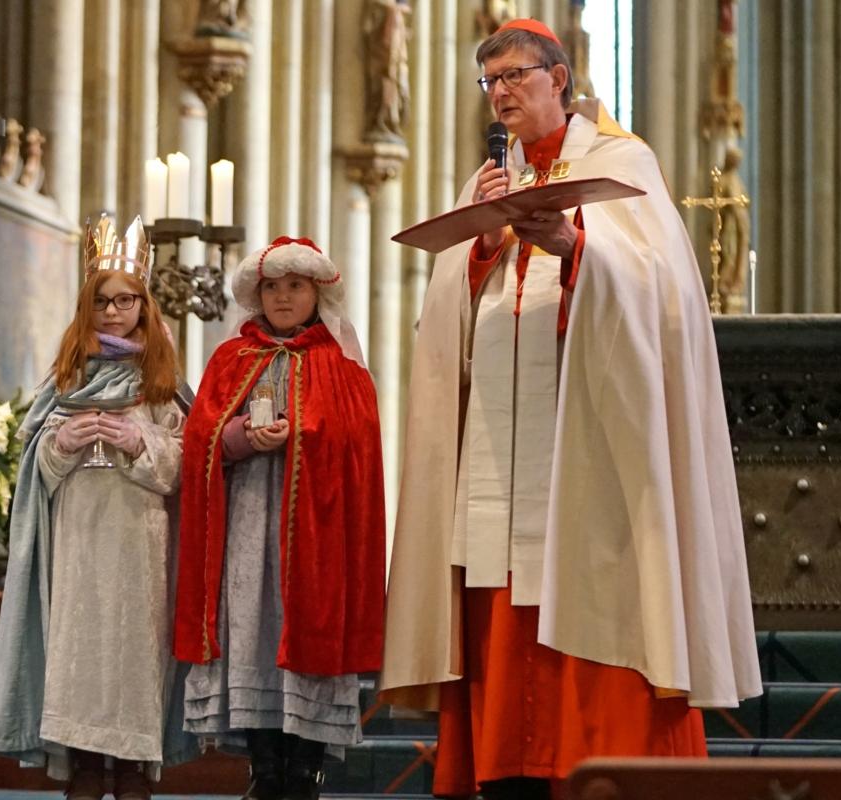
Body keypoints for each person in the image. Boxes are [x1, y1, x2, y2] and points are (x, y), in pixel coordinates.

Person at [379, 19, 761, 800]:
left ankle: (598, 768)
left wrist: (573, 246)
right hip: (496, 448)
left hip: (587, 445)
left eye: (516, 76)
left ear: (560, 77)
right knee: (497, 594)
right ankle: (509, 769)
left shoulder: (623, 165)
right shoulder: (486, 179)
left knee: (595, 587)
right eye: (490, 83)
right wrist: (481, 244)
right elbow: (446, 310)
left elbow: (663, 298)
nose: (503, 93)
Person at [0, 216, 194, 800]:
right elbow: (34, 468)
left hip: (140, 542)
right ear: (87, 305)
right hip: (77, 541)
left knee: (132, 656)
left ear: (144, 306)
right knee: (77, 654)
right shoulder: (66, 378)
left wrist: (139, 443)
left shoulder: (162, 382)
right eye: (102, 301)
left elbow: (187, 462)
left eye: (126, 300)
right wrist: (59, 445)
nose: (113, 311)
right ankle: (82, 768)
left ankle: (130, 770)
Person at [174, 237, 385, 800]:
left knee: (305, 636)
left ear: (318, 292)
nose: (284, 297)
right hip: (245, 525)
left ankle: (305, 771)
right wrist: (242, 437)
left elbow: (358, 445)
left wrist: (303, 434)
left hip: (317, 535)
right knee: (252, 640)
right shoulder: (230, 358)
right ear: (257, 295)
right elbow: (200, 438)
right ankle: (264, 770)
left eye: (295, 286)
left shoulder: (340, 362)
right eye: (273, 287)